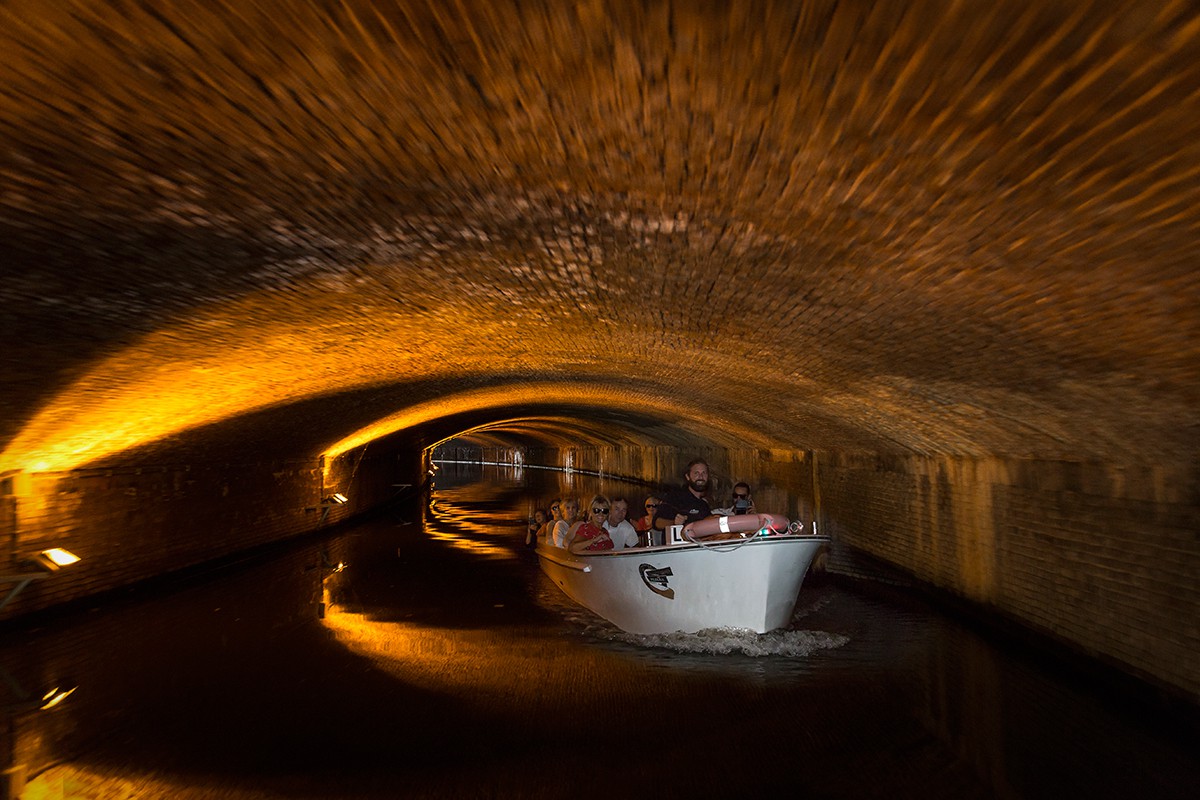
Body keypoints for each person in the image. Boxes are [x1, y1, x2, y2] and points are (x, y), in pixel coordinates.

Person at [653, 459, 714, 535]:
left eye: (704, 473)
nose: (701, 476)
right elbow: (657, 523)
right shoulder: (675, 497)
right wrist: (674, 522)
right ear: (688, 477)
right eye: (696, 473)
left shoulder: (704, 505)